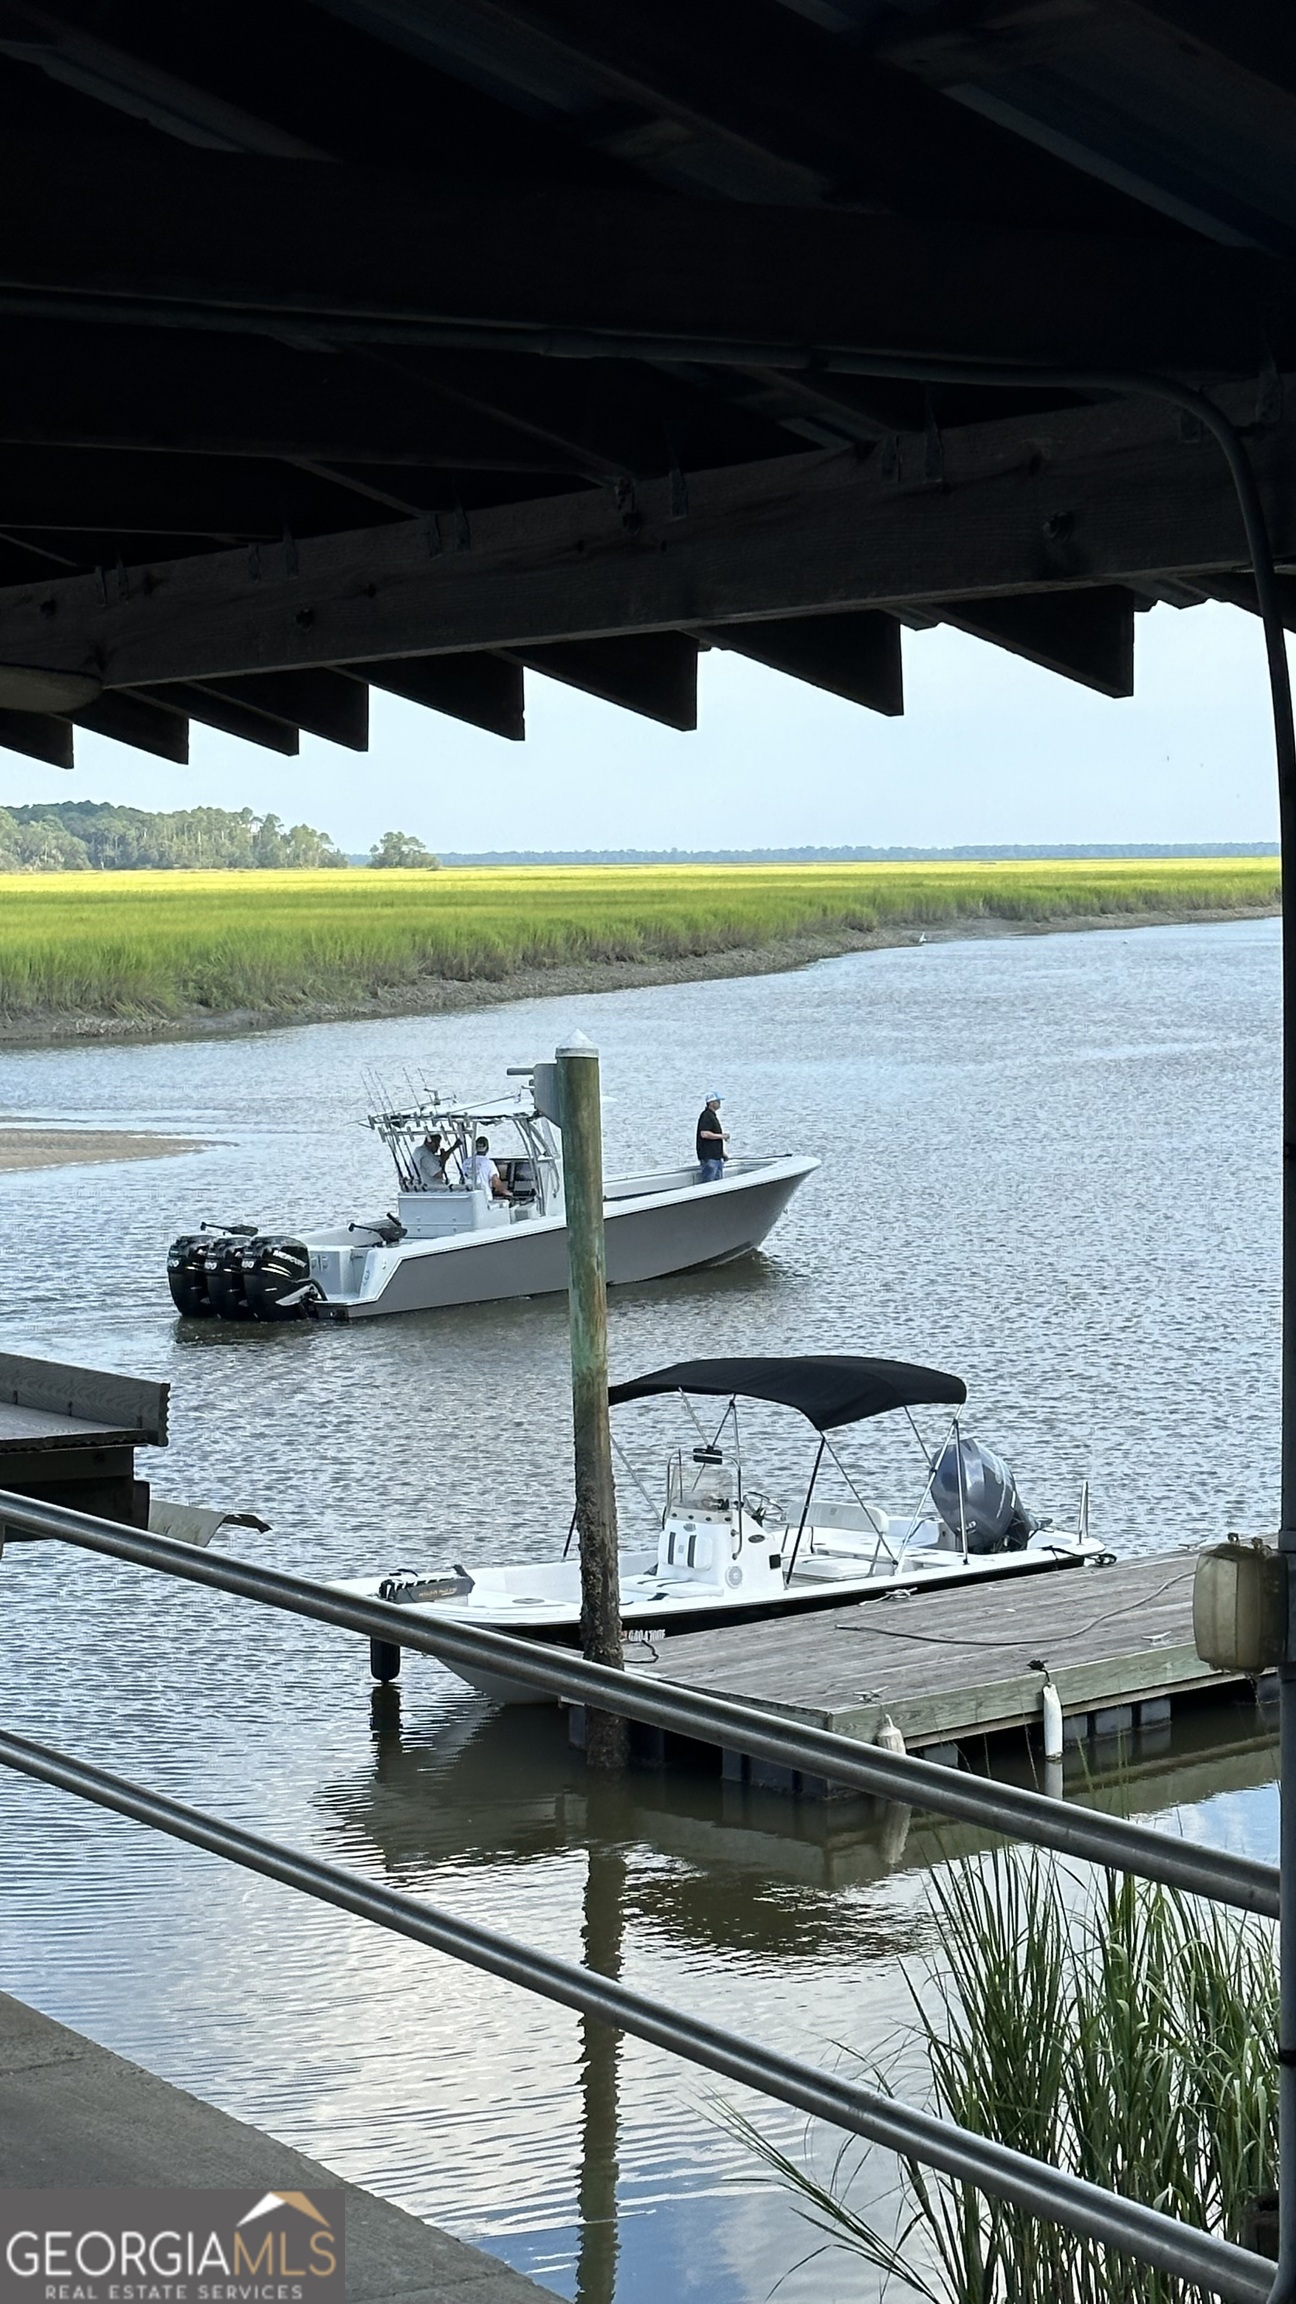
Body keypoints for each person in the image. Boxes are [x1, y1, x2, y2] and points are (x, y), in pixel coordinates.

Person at [465, 1133, 511, 1198]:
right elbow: (495, 1182)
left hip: (469, 1197)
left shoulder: (466, 1162)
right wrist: (507, 1193)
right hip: (484, 1199)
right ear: (487, 1149)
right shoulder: (489, 1163)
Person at [695, 1093, 728, 1182]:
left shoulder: (712, 1116)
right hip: (709, 1157)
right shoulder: (706, 1116)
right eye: (717, 1101)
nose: (719, 1103)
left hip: (716, 1156)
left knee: (718, 1183)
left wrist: (722, 1153)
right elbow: (704, 1134)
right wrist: (722, 1136)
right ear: (711, 1103)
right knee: (709, 1182)